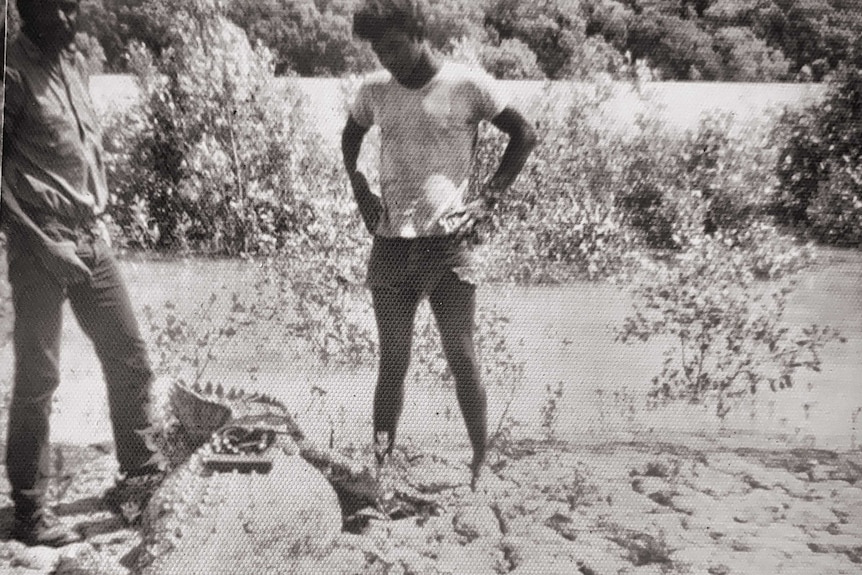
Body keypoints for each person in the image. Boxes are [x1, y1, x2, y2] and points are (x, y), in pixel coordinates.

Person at [342, 0, 537, 489]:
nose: (385, 59)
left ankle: (479, 465)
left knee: (462, 356)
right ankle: (382, 468)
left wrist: (489, 198)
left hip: (448, 245)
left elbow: (524, 133)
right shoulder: (375, 92)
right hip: (390, 245)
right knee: (393, 360)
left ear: (418, 34)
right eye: (377, 51)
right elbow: (350, 141)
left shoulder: (465, 84)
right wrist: (361, 189)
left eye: (392, 48)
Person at [2, 0, 161, 546]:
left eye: (75, 7)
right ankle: (29, 510)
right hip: (38, 243)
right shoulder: (11, 71)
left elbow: (83, 155)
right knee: (39, 378)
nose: (71, 19)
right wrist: (44, 244)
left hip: (91, 237)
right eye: (58, 9)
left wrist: (99, 219)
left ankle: (138, 479)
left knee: (130, 356)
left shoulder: (73, 65)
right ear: (28, 11)